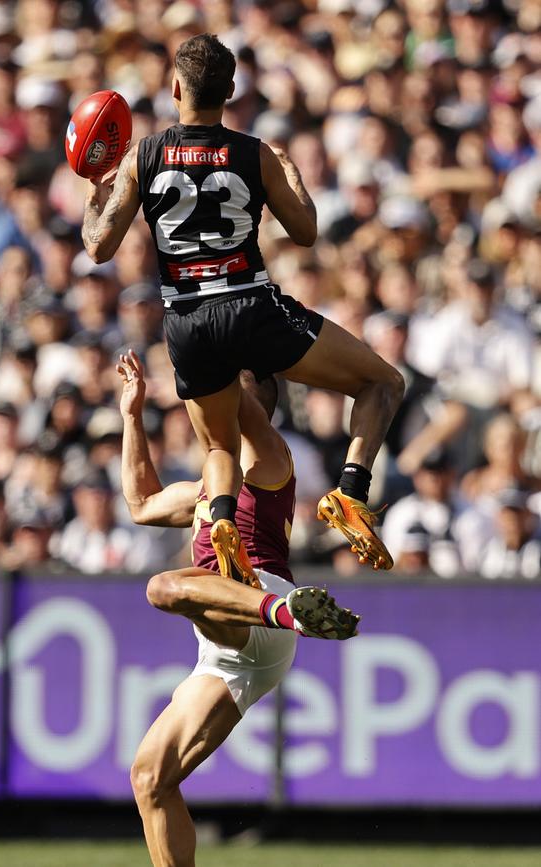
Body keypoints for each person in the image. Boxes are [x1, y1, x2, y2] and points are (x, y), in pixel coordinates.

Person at [83, 33, 404, 578]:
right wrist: (292, 172)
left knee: (220, 446)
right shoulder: (254, 153)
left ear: (175, 86)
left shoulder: (143, 155)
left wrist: (96, 195)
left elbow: (98, 247)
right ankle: (351, 492)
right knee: (384, 383)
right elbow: (304, 232)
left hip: (185, 320)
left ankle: (223, 516)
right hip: (249, 305)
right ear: (230, 90)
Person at [116, 349, 359, 867]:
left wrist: (204, 338)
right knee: (150, 778)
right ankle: (290, 613)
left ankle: (291, 612)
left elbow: (230, 401)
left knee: (164, 588)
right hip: (227, 645)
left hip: (262, 603)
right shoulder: (207, 486)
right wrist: (132, 415)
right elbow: (140, 505)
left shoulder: (268, 458)